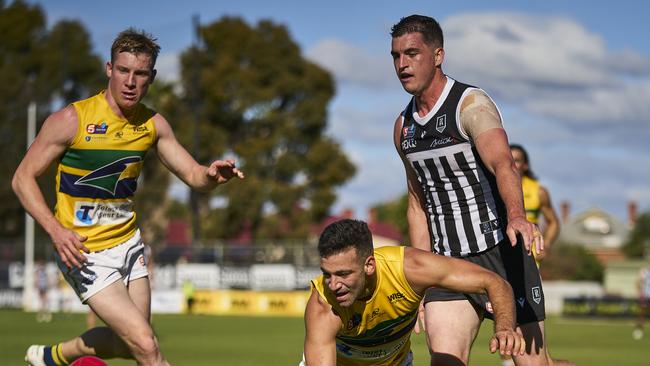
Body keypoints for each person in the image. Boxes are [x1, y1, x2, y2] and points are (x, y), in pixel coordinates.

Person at [13, 28, 244, 366]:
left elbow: (194, 175)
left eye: (140, 74)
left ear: (151, 77)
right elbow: (22, 178)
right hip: (84, 251)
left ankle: (54, 357)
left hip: (129, 246)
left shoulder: (153, 124)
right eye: (123, 71)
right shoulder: (71, 120)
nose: (130, 82)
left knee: (132, 345)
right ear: (109, 69)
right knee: (148, 347)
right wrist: (55, 230)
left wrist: (212, 176)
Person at [390, 15, 572, 365]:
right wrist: (420, 280)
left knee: (534, 363)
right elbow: (417, 204)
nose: (402, 64)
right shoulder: (404, 127)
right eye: (396, 56)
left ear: (438, 54)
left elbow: (504, 163)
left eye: (412, 53)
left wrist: (517, 216)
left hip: (503, 255)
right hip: (449, 265)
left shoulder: (470, 105)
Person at [302, 219, 525, 366]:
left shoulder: (409, 268)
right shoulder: (324, 305)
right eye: (327, 274)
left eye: (343, 274)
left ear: (369, 265)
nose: (333, 285)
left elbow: (494, 282)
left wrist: (504, 328)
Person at [510, 144, 560, 267]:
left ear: (525, 165)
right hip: (500, 252)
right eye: (509, 159)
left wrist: (546, 245)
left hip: (529, 253)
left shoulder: (539, 192)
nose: (512, 164)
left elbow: (553, 222)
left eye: (516, 160)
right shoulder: (491, 189)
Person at [634, 259, 650, 340]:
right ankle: (638, 330)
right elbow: (637, 282)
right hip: (646, 295)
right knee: (642, 313)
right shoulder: (644, 271)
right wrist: (640, 293)